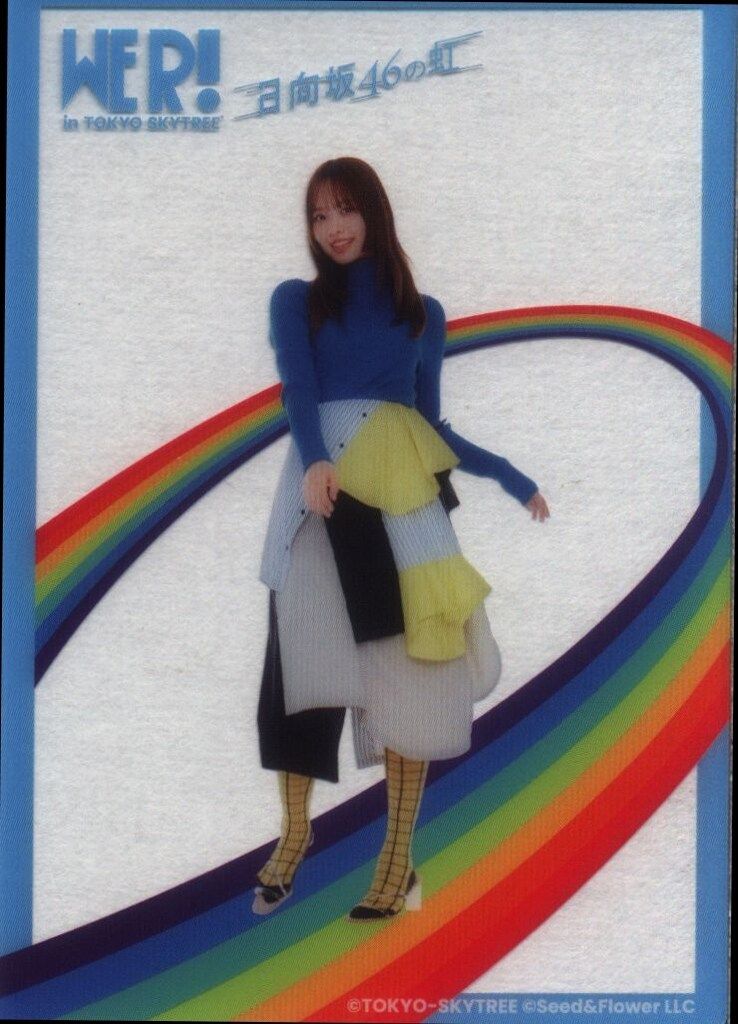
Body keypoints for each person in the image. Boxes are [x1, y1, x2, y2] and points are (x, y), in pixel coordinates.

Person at [253, 157, 550, 922]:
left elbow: (430, 421)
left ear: (375, 212)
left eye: (345, 209)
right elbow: (298, 388)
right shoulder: (297, 301)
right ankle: (296, 834)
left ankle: (396, 858)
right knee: (302, 665)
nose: (333, 228)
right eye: (319, 215)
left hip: (403, 495)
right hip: (321, 488)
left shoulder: (423, 313)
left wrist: (508, 474)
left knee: (410, 669)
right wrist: (315, 460)